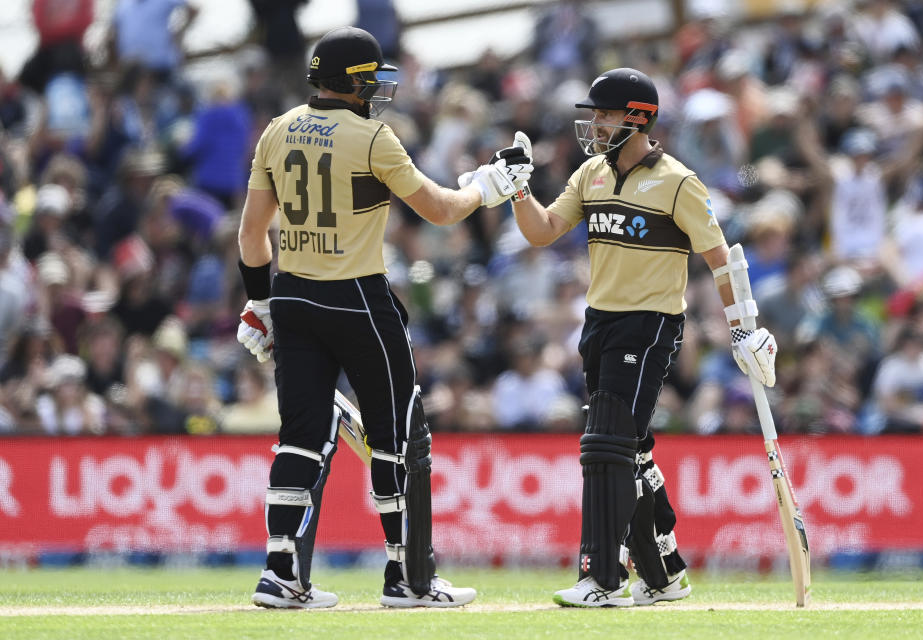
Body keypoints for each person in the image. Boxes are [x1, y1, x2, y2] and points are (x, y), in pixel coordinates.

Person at [235, 27, 530, 609]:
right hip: (357, 298)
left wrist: (260, 302)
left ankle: (281, 575)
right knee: (397, 438)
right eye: (370, 79)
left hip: (292, 297)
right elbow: (442, 211)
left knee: (300, 439)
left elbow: (251, 235)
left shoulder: (278, 129)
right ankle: (410, 579)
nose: (376, 89)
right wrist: (488, 187)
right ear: (351, 82)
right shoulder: (373, 137)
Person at [490, 68, 777, 606]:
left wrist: (746, 332)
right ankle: (664, 572)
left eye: (602, 114)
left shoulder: (679, 181)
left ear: (637, 117)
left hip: (650, 325)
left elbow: (721, 262)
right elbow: (544, 231)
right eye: (593, 114)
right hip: (599, 322)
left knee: (607, 443)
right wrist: (518, 190)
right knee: (632, 452)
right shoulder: (590, 174)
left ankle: (602, 578)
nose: (593, 124)